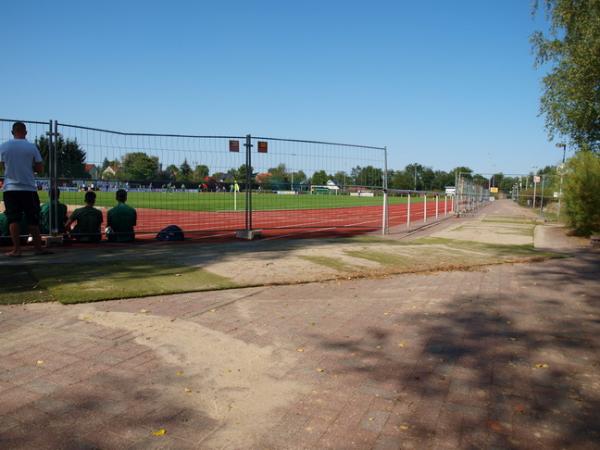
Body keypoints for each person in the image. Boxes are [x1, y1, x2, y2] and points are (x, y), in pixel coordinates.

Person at [0, 121, 49, 256]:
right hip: (28, 188)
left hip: (10, 189)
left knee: (13, 219)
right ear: (26, 132)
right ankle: (38, 248)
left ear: (12, 132)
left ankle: (17, 250)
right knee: (32, 219)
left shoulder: (4, 146)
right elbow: (40, 169)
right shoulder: (31, 147)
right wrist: (29, 167)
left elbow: (2, 165)